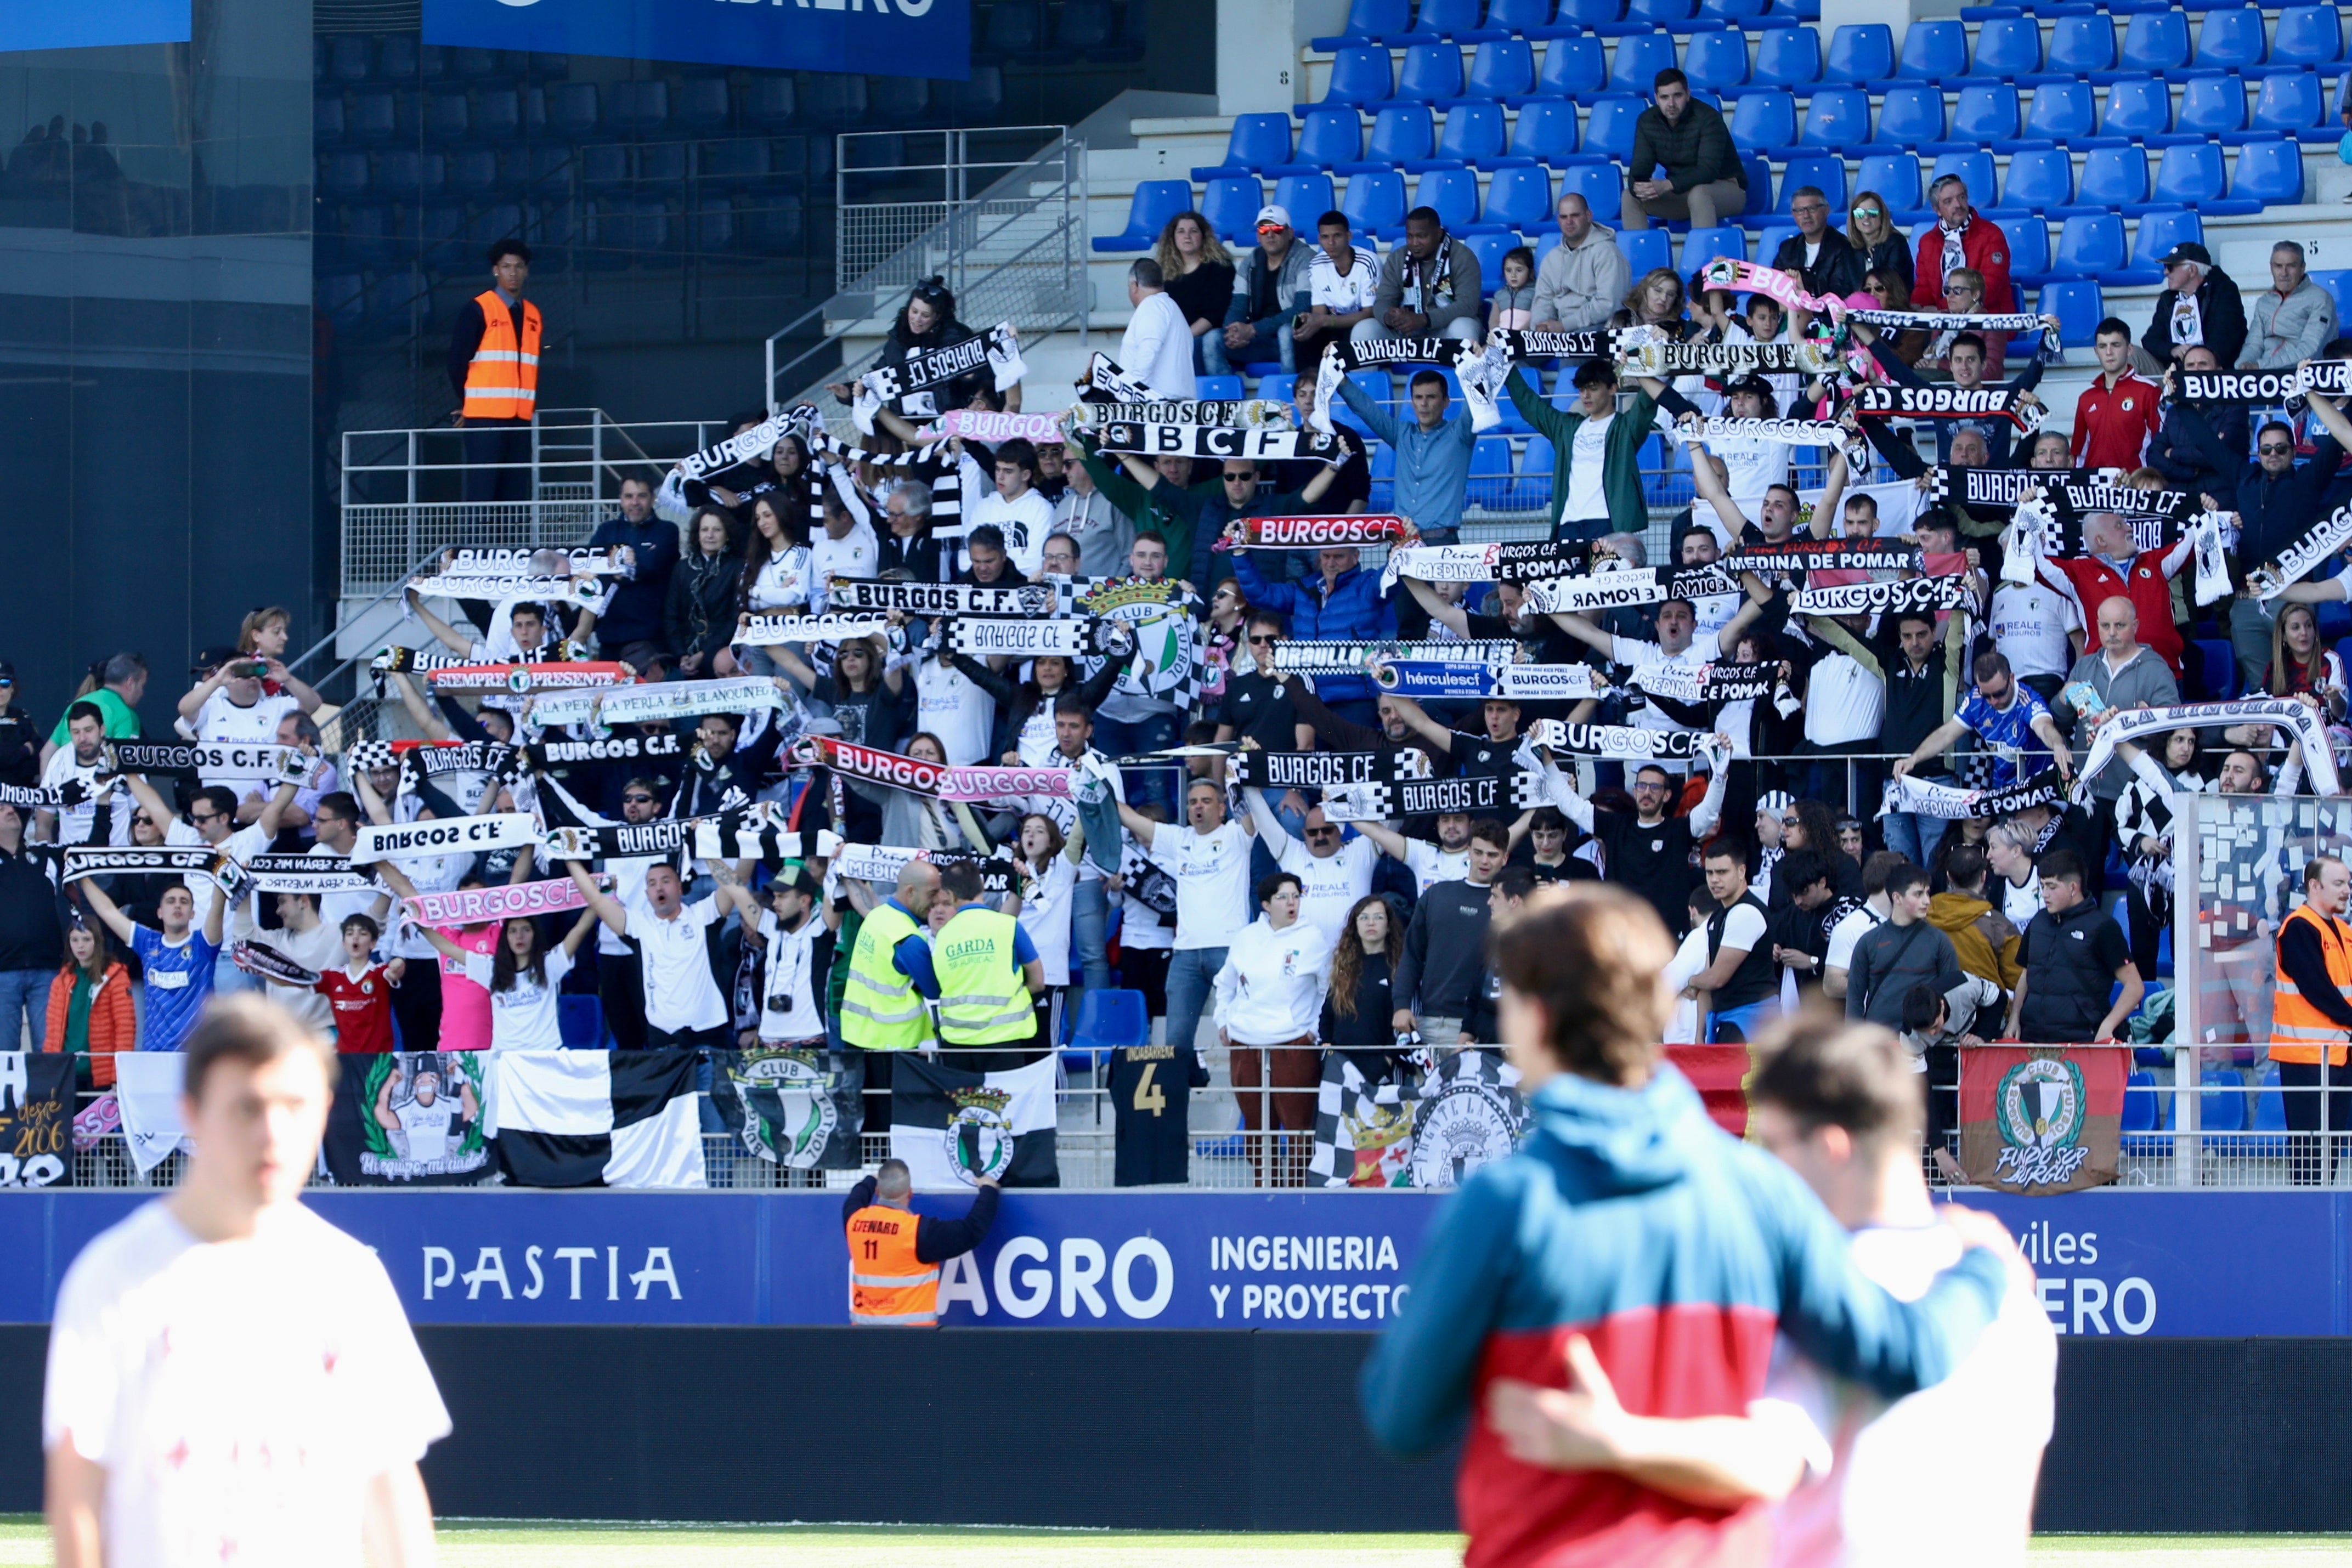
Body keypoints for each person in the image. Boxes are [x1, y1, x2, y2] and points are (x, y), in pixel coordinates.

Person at [1360, 884, 2016, 1567]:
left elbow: (1401, 1418)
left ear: (1533, 1015)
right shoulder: (1760, 1191)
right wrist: (1983, 1266)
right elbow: (1907, 1352)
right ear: (1657, 1005)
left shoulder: (1504, 1204)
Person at [1486, 1014, 2054, 1565]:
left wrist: (1622, 1439)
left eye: (1776, 1143)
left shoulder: (1830, 1283)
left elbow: (1772, 1456)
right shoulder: (2016, 1300)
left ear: (1832, 1146)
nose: (1765, 1166)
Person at [44, 996, 447, 1568]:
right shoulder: (114, 1276)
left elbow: (390, 1490)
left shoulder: (350, 1276)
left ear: (326, 1108)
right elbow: (79, 1495)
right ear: (191, 1111)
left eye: (295, 1106)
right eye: (247, 1108)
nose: (273, 1133)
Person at [1213, 870, 1333, 1186]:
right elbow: (1225, 984)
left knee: (1297, 1125)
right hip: (1245, 1042)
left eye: (1296, 896)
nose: (1291, 903)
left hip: (1292, 1042)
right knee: (1256, 1123)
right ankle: (1263, 1188)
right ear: (1266, 904)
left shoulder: (1313, 938)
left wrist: (1312, 1029)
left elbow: (1328, 989)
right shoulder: (1246, 937)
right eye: (1283, 897)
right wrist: (1223, 1020)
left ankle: (1296, 1193)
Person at [1118, 777, 1254, 1055]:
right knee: (1176, 1042)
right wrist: (1094, 782)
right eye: (1192, 802)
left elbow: (1250, 815)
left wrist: (1237, 776)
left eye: (1206, 801)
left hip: (1229, 950)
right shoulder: (1179, 839)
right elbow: (1130, 818)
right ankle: (1180, 1096)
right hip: (1185, 955)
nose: (1198, 807)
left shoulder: (1236, 834)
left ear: (1222, 808)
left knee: (1241, 1035)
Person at [563, 856, 756, 1051]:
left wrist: (708, 852)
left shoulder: (703, 915)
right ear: (647, 894)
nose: (660, 888)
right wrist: (569, 857)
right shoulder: (638, 925)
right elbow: (595, 899)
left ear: (680, 887)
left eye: (666, 881)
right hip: (664, 1038)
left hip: (709, 1034)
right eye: (652, 884)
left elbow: (739, 881)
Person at [1539, 752, 1732, 936]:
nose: (1647, 792)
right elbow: (1569, 804)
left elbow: (1709, 812)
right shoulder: (1615, 825)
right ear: (1635, 790)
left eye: (1655, 787)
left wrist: (1720, 772)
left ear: (1667, 795)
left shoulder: (1679, 829)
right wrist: (1547, 758)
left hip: (1668, 937)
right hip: (1623, 938)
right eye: (1642, 786)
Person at [1229, 545, 1396, 722]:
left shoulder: (1368, 585)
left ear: (1356, 556)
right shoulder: (1303, 590)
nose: (1331, 563)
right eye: (1326, 556)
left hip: (1356, 700)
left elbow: (1392, 581)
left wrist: (1398, 554)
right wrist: (1240, 552)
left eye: (1338, 557)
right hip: (1306, 699)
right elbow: (1259, 594)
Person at [1509, 357, 1659, 540]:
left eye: (1593, 389)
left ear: (1613, 389)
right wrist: (1506, 367)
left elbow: (1647, 402)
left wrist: (1641, 364)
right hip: (1568, 525)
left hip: (1608, 524)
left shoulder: (1625, 428)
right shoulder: (1566, 427)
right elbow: (1528, 404)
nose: (1585, 396)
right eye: (1581, 389)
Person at [1391, 820, 1509, 1049]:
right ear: (1469, 852)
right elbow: (1412, 956)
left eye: (1493, 855)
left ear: (1505, 858)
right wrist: (1402, 1005)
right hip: (1432, 1022)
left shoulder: (1510, 906)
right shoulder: (1436, 895)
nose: (1484, 861)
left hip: (1484, 1026)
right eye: (1478, 852)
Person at [2270, 854, 2352, 1185]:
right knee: (2310, 1154)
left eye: (2348, 884)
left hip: (2338, 1054)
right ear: (2314, 886)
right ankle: (2305, 1222)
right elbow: (2317, 988)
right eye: (2339, 884)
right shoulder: (2299, 928)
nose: (2347, 891)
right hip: (2307, 1057)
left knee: (2330, 1150)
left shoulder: (2343, 930)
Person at [2006, 849, 2143, 1045]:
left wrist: (2108, 1026)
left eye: (2052, 887)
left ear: (2073, 888)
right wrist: (2014, 1017)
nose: (2045, 894)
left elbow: (2135, 986)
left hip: (2081, 1040)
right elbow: (2027, 974)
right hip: (2033, 1039)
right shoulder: (2038, 922)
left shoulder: (2103, 927)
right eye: (2042, 886)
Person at [842, 1156, 999, 1326]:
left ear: (878, 1191)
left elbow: (856, 1197)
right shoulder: (917, 1232)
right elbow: (971, 1231)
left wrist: (872, 1179)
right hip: (912, 1344)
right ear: (910, 1193)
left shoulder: (854, 1221)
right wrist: (989, 1190)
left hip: (864, 1342)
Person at [80, 876, 225, 1053]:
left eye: (184, 902)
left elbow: (217, 907)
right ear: (160, 913)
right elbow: (107, 910)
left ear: (192, 914)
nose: (178, 906)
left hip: (195, 1055)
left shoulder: (203, 944)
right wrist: (81, 876)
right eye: (171, 901)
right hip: (154, 1054)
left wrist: (223, 870)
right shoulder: (148, 942)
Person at [1894, 651, 2071, 793]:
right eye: (1987, 695)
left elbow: (2044, 726)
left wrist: (2057, 744)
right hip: (2002, 789)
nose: (1993, 701)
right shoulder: (1975, 700)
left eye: (1999, 694)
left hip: (2037, 790)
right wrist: (1913, 759)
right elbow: (1946, 734)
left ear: (2011, 679)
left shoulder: (2028, 700)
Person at [1337, 366, 1477, 545]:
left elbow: (1476, 403)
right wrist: (1341, 380)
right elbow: (1368, 410)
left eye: (1431, 397)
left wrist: (1478, 363)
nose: (1424, 404)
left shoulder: (1460, 434)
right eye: (1418, 397)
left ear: (1446, 402)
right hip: (1402, 540)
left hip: (1441, 543)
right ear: (1412, 402)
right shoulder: (1401, 433)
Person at [446, 237, 539, 503]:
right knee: (483, 492)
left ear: (526, 271)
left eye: (519, 267)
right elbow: (456, 362)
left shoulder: (532, 314)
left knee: (515, 493)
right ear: (495, 270)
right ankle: (479, 546)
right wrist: (469, 404)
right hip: (485, 418)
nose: (513, 273)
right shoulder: (478, 309)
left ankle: (509, 546)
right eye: (507, 266)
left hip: (520, 418)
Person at [1845, 862, 1964, 1034]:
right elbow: (1855, 998)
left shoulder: (1939, 941)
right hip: (1878, 1041)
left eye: (1928, 893)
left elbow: (1953, 995)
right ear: (1897, 898)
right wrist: (1855, 1040)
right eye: (1918, 894)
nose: (1927, 901)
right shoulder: (1868, 942)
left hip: (1923, 1040)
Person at [1621, 68, 1745, 231]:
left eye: (1677, 96)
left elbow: (1708, 171)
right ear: (1656, 99)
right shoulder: (1648, 121)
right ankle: (1636, 256)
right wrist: (1640, 186)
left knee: (1700, 194)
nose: (1671, 104)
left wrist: (1667, 185)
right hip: (1681, 193)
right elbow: (1639, 168)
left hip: (1726, 190)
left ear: (1688, 94)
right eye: (1665, 97)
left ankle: (1705, 256)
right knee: (1629, 196)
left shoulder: (1708, 118)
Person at [582, 476, 680, 675]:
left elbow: (653, 564)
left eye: (641, 496)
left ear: (653, 498)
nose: (635, 502)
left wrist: (623, 570)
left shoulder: (667, 531)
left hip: (651, 637)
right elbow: (592, 570)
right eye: (629, 496)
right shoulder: (605, 531)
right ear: (621, 499)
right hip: (610, 637)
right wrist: (630, 569)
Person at [1690, 842, 1782, 1043]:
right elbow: (1709, 977)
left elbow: (1715, 978)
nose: (1714, 880)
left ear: (1742, 872)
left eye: (1722, 872)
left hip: (1753, 1023)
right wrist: (1699, 1035)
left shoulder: (1747, 912)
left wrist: (1691, 981)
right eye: (1710, 873)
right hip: (1727, 1021)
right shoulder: (1716, 918)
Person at [1358, 206, 1483, 349]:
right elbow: (1382, 302)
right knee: (1364, 329)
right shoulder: (1398, 258)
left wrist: (1425, 319)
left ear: (1438, 233)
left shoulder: (1462, 257)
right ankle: (1366, 374)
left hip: (1445, 330)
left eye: (1422, 236)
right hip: (1406, 332)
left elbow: (1467, 306)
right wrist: (1390, 317)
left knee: (1462, 327)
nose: (1415, 243)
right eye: (1410, 236)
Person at [1215, 203, 1313, 375]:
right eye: (1263, 230)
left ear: (1290, 233)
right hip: (1260, 340)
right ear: (1258, 236)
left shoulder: (1306, 258)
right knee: (1212, 340)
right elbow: (1238, 306)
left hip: (1297, 340)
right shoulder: (1250, 262)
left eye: (1276, 229)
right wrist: (1235, 332)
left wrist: (1253, 329)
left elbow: (1302, 309)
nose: (1270, 235)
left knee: (1285, 333)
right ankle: (1223, 399)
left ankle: (1290, 396)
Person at [1320, 894, 1403, 1083]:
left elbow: (1405, 1021)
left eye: (1378, 917)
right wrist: (1329, 1052)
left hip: (1381, 1065)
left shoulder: (1400, 967)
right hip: (1342, 1064)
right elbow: (1327, 1014)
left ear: (1389, 925)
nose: (1371, 923)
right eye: (1364, 917)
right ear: (1355, 925)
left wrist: (1387, 1061)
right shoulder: (1344, 966)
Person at [41, 918, 133, 1087]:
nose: (80, 946)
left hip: (101, 1072)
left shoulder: (116, 976)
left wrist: (118, 1075)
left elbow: (125, 1029)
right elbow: (53, 1032)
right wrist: (50, 1071)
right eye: (75, 940)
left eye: (86, 939)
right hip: (67, 1071)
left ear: (98, 941)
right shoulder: (61, 980)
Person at [1910, 176, 2013, 323]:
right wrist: (1917, 308)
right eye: (1948, 201)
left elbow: (1988, 289)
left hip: (1986, 320)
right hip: (1940, 320)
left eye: (1962, 197)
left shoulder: (1991, 234)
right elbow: (1924, 287)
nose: (1958, 204)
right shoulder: (1928, 241)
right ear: (1937, 210)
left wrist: (1942, 309)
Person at [0, 801, 61, 1046]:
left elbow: (91, 848)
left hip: (47, 971)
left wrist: (101, 803)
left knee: (49, 1054)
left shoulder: (43, 857)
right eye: (1, 809)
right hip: (2, 972)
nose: (10, 810)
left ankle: (49, 1089)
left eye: (11, 807)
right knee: (3, 1057)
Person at [1930, 844, 2025, 999]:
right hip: (1987, 1013)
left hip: (1936, 1012)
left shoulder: (1925, 918)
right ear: (1983, 877)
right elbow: (2018, 979)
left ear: (1949, 877)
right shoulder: (1999, 926)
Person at [2070, 318, 2166, 471]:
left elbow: (2161, 444)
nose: (2109, 352)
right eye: (2103, 346)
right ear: (2096, 351)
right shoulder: (2086, 398)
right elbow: (2078, 453)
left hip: (2134, 484)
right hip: (2095, 487)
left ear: (2129, 349)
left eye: (2116, 345)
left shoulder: (2149, 391)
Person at [1530, 193, 1630, 337]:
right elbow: (1543, 300)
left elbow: (1608, 305)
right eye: (1564, 217)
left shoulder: (1607, 253)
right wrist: (1542, 326)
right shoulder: (1552, 258)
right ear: (1558, 220)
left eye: (1575, 216)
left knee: (1570, 357)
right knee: (1521, 357)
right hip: (1559, 329)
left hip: (1597, 327)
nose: (1569, 221)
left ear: (1588, 216)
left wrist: (1564, 326)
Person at [1295, 208, 1381, 373]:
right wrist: (1310, 323)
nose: (1331, 242)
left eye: (1337, 236)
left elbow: (1371, 313)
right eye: (1325, 237)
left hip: (1361, 325)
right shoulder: (1316, 264)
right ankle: (1311, 387)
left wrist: (1323, 321)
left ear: (1349, 236)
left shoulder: (1368, 262)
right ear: (1319, 239)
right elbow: (1319, 312)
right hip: (1335, 326)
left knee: (1359, 331)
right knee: (1305, 336)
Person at [665, 507, 743, 680]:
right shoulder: (682, 568)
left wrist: (705, 653)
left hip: (722, 650)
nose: (710, 535)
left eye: (717, 530)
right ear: (697, 534)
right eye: (705, 529)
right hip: (684, 652)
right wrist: (681, 655)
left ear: (727, 534)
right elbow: (671, 615)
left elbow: (735, 618)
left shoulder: (738, 567)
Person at [1154, 209, 1237, 372]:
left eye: (1193, 231)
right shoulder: (1163, 271)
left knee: (1192, 346)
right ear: (1173, 238)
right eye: (1181, 231)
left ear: (1203, 236)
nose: (1187, 236)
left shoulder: (1220, 267)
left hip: (1211, 334)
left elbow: (1215, 314)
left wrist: (1184, 337)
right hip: (1178, 336)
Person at [2142, 241, 2246, 370]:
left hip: (2209, 368)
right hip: (2173, 367)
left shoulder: (2223, 291)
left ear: (2192, 270)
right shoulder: (2167, 299)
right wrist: (2172, 350)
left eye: (2171, 267)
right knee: (2132, 355)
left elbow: (2226, 339)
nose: (2166, 273)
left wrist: (2193, 357)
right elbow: (2150, 339)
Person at [42, 652, 145, 770]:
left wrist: (48, 788)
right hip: (100, 785)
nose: (142, 693)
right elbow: (124, 763)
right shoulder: (125, 713)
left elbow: (46, 754)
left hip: (65, 784)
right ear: (131, 683)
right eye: (142, 686)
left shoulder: (76, 705)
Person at [313, 913, 400, 1054]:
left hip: (378, 1058)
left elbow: (394, 972)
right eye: (349, 933)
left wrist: (398, 964)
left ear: (373, 943)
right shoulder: (332, 976)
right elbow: (299, 980)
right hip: (345, 1058)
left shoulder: (380, 972)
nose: (355, 937)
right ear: (343, 943)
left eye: (363, 933)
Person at [2244, 242, 2338, 370]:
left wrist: (2261, 366)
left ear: (2302, 268)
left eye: (2291, 266)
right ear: (2271, 267)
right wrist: (2242, 367)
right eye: (2278, 266)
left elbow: (2310, 350)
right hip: (2263, 376)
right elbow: (2253, 345)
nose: (2284, 273)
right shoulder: (2265, 302)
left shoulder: (2320, 299)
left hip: (2303, 374)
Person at [1769, 185, 1863, 305]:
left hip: (1829, 319)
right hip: (1793, 315)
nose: (1806, 215)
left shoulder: (1843, 247)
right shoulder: (1787, 249)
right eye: (1799, 211)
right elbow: (1773, 289)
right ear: (1793, 215)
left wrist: (1804, 293)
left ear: (1826, 210)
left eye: (1812, 209)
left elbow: (1839, 296)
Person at [1118, 258, 1196, 397]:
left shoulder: (1152, 306)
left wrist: (1130, 395)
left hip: (1158, 406)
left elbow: (1148, 353)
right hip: (1172, 404)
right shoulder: (1169, 307)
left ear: (1134, 286)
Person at [1844, 191, 1912, 302]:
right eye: (1859, 213)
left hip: (1892, 309)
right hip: (1859, 309)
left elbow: (1891, 287)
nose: (1866, 217)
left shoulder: (1896, 243)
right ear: (1853, 218)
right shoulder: (1849, 249)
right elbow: (1846, 289)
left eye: (1873, 212)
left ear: (1882, 216)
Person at [1488, 245, 1539, 335]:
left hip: (1526, 339)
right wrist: (1496, 335)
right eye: (1509, 270)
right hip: (1503, 340)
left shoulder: (1536, 292)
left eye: (1519, 270)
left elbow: (1536, 318)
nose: (1513, 275)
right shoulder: (1500, 295)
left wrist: (1519, 336)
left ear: (1530, 272)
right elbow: (1494, 321)